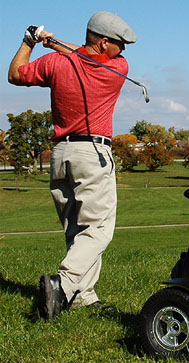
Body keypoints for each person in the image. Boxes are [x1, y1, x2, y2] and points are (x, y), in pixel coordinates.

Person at [7, 11, 137, 320]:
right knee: (98, 230)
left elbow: (15, 73)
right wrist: (53, 42)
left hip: (61, 156)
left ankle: (83, 297)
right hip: (93, 154)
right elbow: (82, 55)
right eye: (120, 43)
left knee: (76, 231)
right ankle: (62, 284)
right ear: (104, 43)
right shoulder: (118, 69)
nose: (124, 50)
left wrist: (33, 41)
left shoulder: (56, 64)